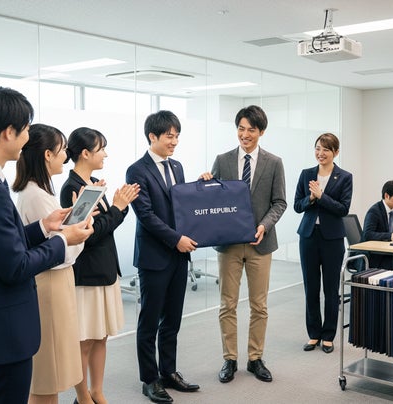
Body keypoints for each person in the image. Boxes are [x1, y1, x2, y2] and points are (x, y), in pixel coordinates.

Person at [0, 86, 93, 404]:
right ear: (8, 132)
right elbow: (15, 266)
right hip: (0, 334)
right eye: (26, 129)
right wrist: (64, 240)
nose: (28, 137)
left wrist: (42, 228)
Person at [204, 105, 287, 383]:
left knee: (259, 305)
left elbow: (279, 202)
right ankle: (229, 359)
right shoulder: (223, 160)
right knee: (227, 304)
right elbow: (211, 199)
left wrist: (264, 225)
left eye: (251, 129)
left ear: (261, 131)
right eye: (241, 128)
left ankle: (255, 358)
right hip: (228, 244)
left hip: (260, 244)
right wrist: (205, 183)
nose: (245, 134)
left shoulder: (274, 163)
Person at [61, 127, 139, 404]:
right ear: (85, 153)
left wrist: (120, 205)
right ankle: (82, 397)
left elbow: (106, 224)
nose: (105, 154)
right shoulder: (72, 188)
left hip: (106, 270)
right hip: (88, 275)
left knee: (101, 337)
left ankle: (97, 391)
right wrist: (117, 207)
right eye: (101, 148)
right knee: (84, 341)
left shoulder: (93, 182)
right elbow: (88, 236)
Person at [126, 111, 199, 403]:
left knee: (172, 319)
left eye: (177, 136)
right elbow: (145, 215)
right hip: (155, 256)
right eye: (170, 136)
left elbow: (181, 205)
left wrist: (201, 185)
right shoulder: (136, 170)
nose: (175, 141)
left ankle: (169, 371)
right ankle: (149, 379)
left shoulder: (177, 166)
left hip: (179, 257)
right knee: (149, 321)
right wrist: (176, 239)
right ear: (152, 136)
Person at [13, 123, 89, 404]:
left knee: (50, 371)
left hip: (53, 283)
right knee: (48, 374)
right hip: (49, 284)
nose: (65, 157)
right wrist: (78, 234)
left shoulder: (38, 191)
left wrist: (74, 227)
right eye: (62, 150)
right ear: (47, 154)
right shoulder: (35, 195)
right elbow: (60, 251)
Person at [294, 133, 352, 354]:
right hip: (308, 236)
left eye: (326, 149)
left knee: (330, 289)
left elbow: (343, 209)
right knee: (311, 288)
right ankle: (314, 334)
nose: (321, 153)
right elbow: (297, 206)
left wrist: (321, 196)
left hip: (332, 239)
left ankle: (328, 336)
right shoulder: (306, 174)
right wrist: (310, 198)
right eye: (318, 148)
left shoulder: (345, 177)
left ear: (336, 152)